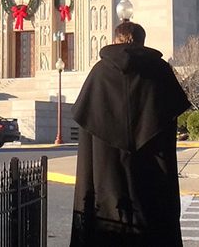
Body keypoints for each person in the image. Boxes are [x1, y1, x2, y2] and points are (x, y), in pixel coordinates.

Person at [70, 21, 191, 246]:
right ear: (142, 42)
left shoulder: (99, 73)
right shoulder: (160, 72)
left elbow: (87, 137)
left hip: (106, 182)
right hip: (152, 184)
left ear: (115, 40)